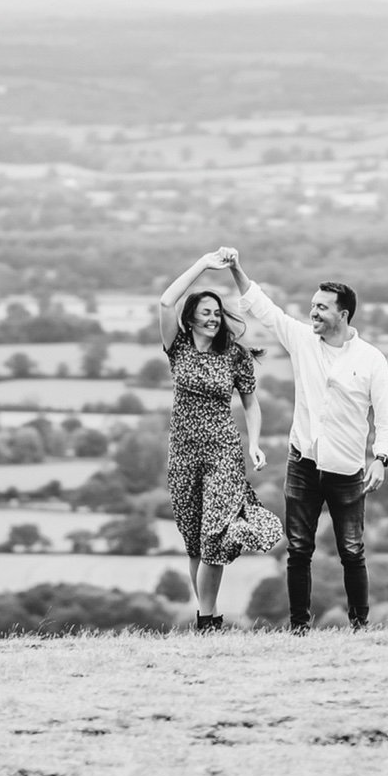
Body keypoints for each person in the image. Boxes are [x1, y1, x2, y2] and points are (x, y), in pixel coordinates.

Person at [215, 247, 388, 632]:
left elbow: (386, 418)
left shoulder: (371, 360)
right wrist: (236, 269)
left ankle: (360, 626)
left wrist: (380, 458)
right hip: (303, 464)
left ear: (342, 314)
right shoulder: (301, 341)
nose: (313, 313)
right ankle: (299, 629)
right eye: (313, 306)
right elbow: (264, 308)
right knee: (299, 550)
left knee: (351, 551)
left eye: (321, 308)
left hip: (347, 470)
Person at [154, 253, 265, 631]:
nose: (213, 317)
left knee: (214, 535)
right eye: (206, 311)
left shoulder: (234, 356)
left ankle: (206, 620)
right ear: (191, 318)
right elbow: (166, 301)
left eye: (217, 312)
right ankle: (208, 616)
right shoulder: (177, 347)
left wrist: (254, 444)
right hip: (183, 454)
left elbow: (251, 402)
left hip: (223, 453)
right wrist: (204, 264)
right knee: (195, 543)